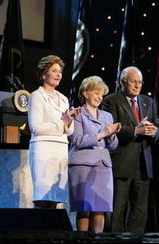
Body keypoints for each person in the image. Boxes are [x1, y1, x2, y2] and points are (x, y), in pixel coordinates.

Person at [101, 66, 159, 233]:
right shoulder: (111, 101)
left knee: (140, 211)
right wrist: (136, 131)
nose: (138, 85)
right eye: (134, 82)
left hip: (143, 165)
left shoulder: (148, 102)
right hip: (122, 163)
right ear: (123, 82)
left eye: (140, 82)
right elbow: (110, 128)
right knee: (117, 210)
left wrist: (154, 132)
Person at [68, 76, 121, 233]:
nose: (100, 97)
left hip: (103, 166)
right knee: (84, 208)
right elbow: (77, 140)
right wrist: (102, 133)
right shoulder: (77, 113)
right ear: (85, 93)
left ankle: (98, 239)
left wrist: (111, 135)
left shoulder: (107, 116)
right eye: (96, 93)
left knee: (100, 207)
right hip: (83, 166)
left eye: (102, 94)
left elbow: (113, 145)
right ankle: (82, 239)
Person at [28, 55, 81, 209]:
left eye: (60, 71)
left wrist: (70, 120)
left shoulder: (64, 99)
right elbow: (35, 128)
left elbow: (69, 131)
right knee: (43, 195)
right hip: (43, 150)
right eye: (54, 71)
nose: (59, 74)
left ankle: (51, 232)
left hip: (60, 150)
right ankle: (39, 232)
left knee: (56, 196)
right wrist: (62, 121)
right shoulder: (36, 96)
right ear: (44, 74)